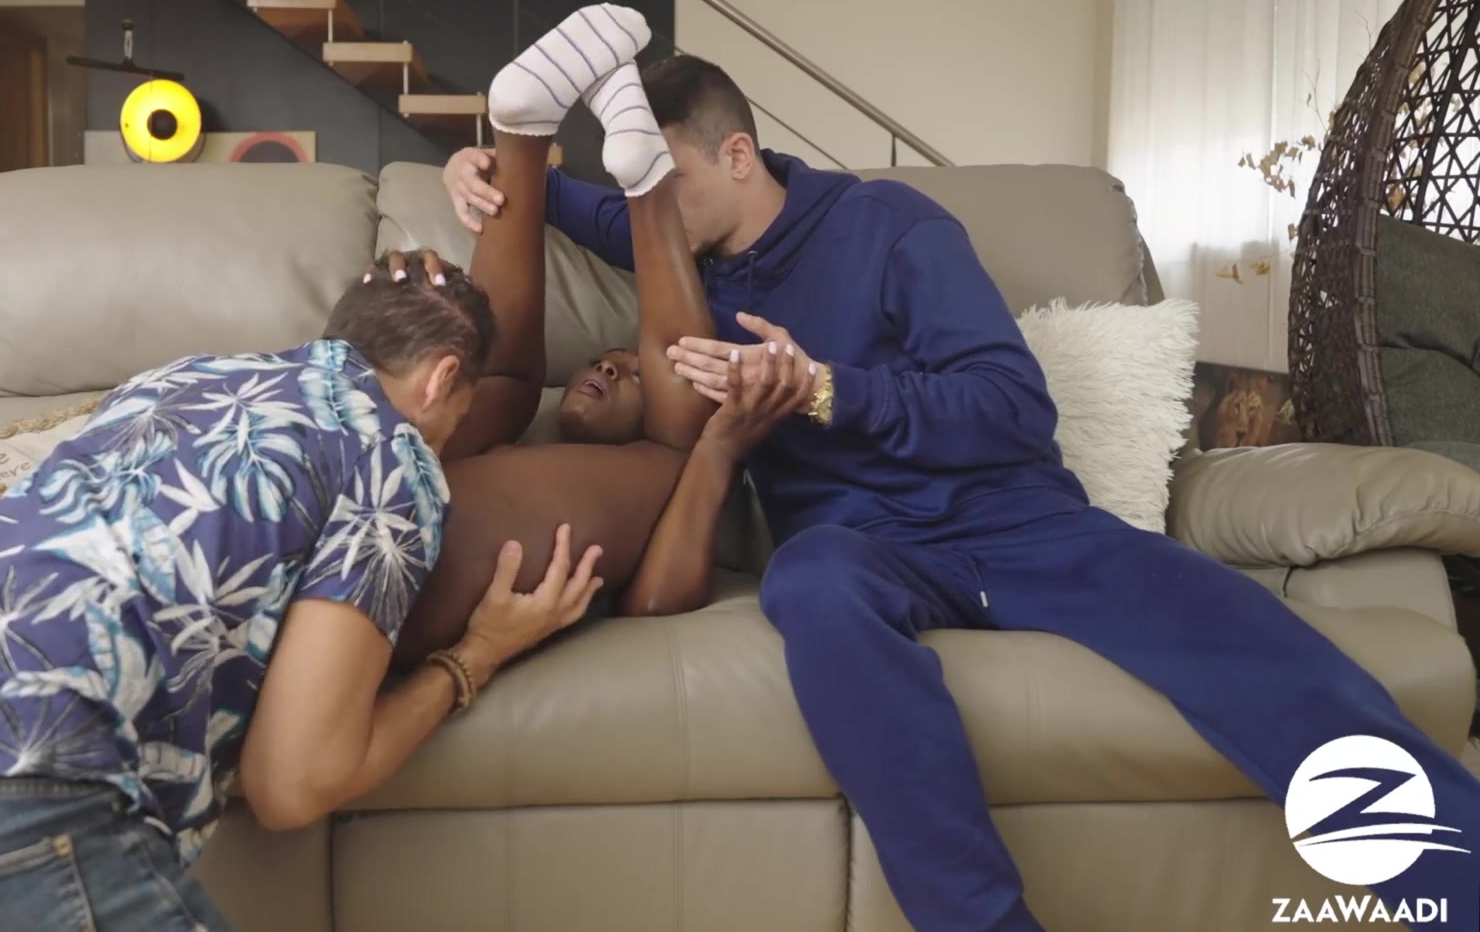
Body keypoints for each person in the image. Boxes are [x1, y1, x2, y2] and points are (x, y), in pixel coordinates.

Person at [442, 53, 1480, 931]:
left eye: (667, 188)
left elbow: (1013, 406)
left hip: (1018, 523)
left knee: (1262, 652)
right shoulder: (677, 235)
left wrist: (824, 389)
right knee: (809, 584)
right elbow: (572, 197)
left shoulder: (892, 228)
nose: (650, 223)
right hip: (864, 545)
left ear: (738, 155)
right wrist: (479, 167)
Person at [0, 257, 603, 932]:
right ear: (441, 379)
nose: (448, 439)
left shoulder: (178, 379)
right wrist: (475, 656)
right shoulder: (390, 453)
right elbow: (294, 781)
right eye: (458, 417)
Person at [380, 4, 815, 667]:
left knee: (513, 384)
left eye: (635, 373)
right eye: (609, 361)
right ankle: (545, 141)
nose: (612, 369)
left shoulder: (558, 465)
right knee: (517, 388)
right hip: (348, 496)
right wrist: (476, 164)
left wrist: (718, 444)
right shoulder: (537, 450)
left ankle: (524, 131)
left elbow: (657, 597)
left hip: (353, 515)